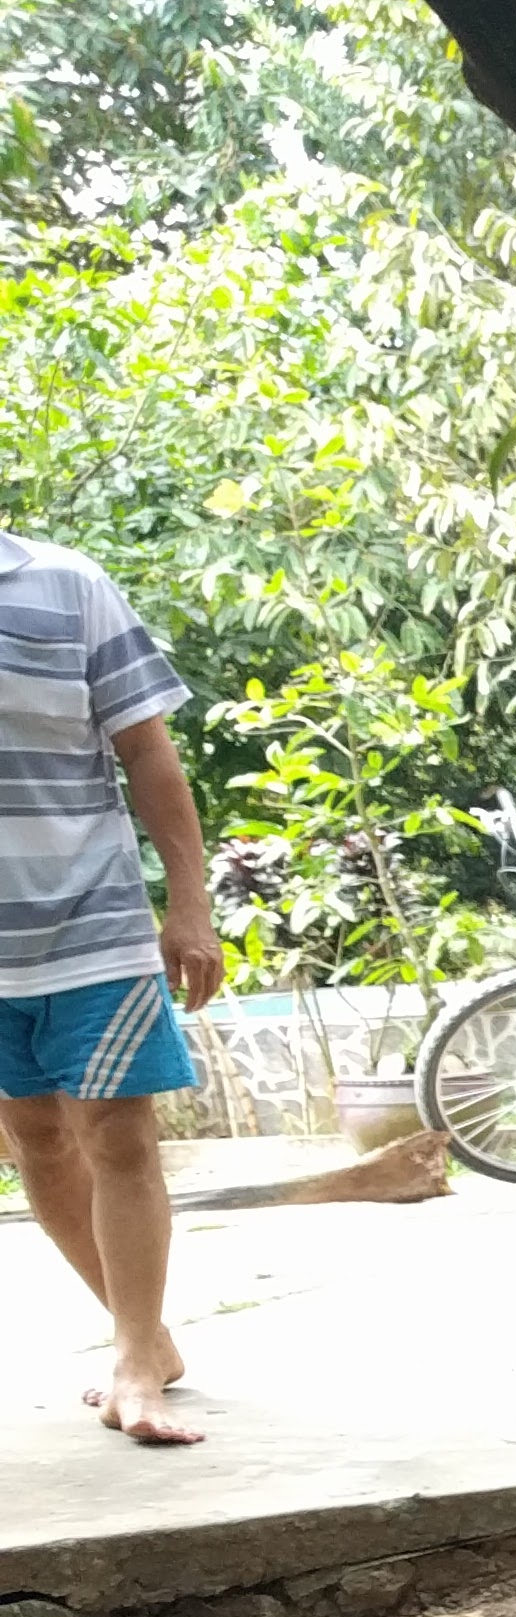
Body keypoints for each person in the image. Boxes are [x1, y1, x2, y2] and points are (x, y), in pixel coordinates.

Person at [0, 527, 219, 1446]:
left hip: (92, 920)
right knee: (37, 1141)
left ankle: (133, 1359)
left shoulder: (67, 583)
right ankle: (148, 1338)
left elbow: (149, 751)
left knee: (119, 1135)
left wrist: (190, 905)